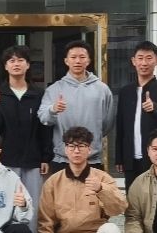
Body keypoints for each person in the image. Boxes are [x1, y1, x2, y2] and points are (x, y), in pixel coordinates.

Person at [37, 127, 127, 233]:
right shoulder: (53, 182)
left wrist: (101, 189)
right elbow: (44, 221)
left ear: (90, 149)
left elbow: (119, 208)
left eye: (81, 146)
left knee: (112, 231)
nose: (76, 151)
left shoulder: (101, 177)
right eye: (72, 146)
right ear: (65, 149)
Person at [0, 45, 52, 233]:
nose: (16, 64)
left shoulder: (38, 94)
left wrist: (46, 156)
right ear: (5, 66)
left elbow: (45, 127)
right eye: (11, 60)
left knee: (32, 207)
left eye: (20, 60)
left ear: (27, 65)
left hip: (33, 159)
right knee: (6, 207)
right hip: (7, 160)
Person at [38, 41, 115, 173]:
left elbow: (108, 123)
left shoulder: (102, 89)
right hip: (63, 159)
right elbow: (43, 118)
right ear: (66, 61)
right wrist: (53, 109)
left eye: (82, 57)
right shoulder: (54, 89)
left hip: (92, 159)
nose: (78, 61)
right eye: (73, 57)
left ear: (88, 60)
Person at [115, 41, 157, 189]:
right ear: (133, 61)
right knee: (133, 197)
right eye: (140, 58)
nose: (144, 63)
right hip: (130, 158)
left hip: (155, 158)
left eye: (149, 58)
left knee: (155, 196)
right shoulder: (125, 92)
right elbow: (120, 126)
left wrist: (155, 108)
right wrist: (119, 157)